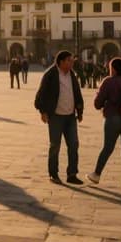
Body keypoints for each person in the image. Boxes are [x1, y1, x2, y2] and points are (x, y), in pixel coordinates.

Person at [87, 57, 121, 192]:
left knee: (107, 148)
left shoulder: (109, 81)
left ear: (114, 69)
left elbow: (97, 104)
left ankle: (96, 175)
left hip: (114, 118)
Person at [34, 50, 84, 185]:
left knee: (74, 144)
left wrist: (80, 111)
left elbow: (77, 92)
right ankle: (53, 173)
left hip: (70, 116)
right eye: (69, 60)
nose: (72, 62)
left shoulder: (72, 74)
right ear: (61, 62)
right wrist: (43, 111)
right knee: (55, 145)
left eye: (72, 60)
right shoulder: (50, 74)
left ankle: (72, 174)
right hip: (56, 116)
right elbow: (41, 94)